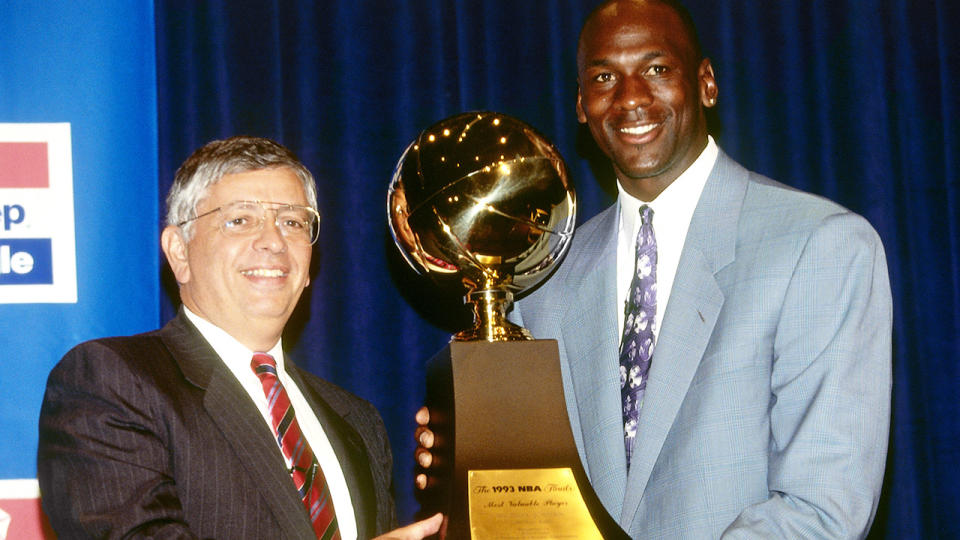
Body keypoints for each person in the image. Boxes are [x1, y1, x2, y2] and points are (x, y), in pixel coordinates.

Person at [416, 1, 893, 538]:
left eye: (657, 69)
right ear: (580, 104)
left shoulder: (820, 246)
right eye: (603, 77)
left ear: (706, 83)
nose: (630, 97)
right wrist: (471, 447)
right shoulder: (542, 279)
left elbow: (823, 508)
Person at [38, 136, 441, 539]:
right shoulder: (111, 382)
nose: (273, 240)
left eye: (293, 222)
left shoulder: (358, 421)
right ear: (179, 252)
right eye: (240, 219)